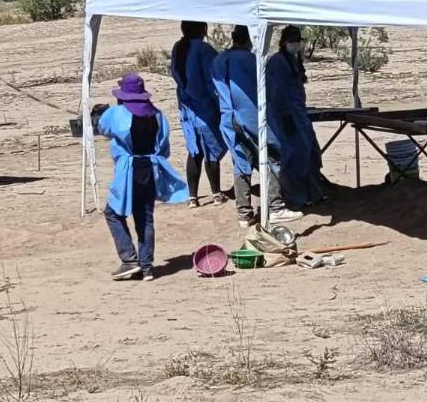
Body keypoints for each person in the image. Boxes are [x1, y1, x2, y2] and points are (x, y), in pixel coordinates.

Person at [94, 73, 188, 281]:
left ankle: (129, 260)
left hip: (129, 169)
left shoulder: (118, 113)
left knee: (113, 212)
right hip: (151, 168)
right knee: (145, 217)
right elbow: (164, 147)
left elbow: (103, 128)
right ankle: (147, 267)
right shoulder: (157, 115)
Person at [212, 25, 302, 227]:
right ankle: (276, 206)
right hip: (251, 115)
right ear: (249, 40)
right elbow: (269, 88)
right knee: (271, 155)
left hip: (228, 118)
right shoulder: (251, 60)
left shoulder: (219, 60)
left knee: (241, 160)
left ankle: (244, 213)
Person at [265, 26, 325, 209]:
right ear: (283, 41)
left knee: (311, 153)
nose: (296, 43)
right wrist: (285, 117)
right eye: (292, 39)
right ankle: (296, 198)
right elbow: (275, 93)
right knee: (293, 158)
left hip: (299, 115)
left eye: (298, 39)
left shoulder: (293, 60)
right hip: (286, 117)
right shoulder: (277, 62)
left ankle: (313, 193)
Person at [170, 21, 227, 207]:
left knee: (194, 149)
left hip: (186, 108)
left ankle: (192, 196)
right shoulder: (203, 49)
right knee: (211, 149)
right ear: (202, 30)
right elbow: (213, 79)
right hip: (204, 106)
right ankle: (216, 193)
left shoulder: (178, 47)